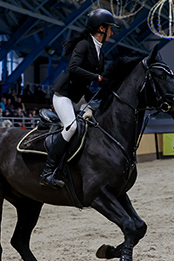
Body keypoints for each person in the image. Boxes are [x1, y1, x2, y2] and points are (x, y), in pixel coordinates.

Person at [40, 8, 119, 189]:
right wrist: (97, 77)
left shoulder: (100, 52)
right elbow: (73, 68)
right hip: (63, 95)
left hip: (79, 97)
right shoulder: (83, 45)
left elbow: (99, 80)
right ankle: (47, 172)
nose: (112, 32)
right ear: (101, 29)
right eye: (110, 28)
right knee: (72, 127)